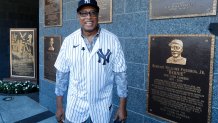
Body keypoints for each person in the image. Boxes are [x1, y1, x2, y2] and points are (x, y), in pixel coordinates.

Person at [54, 0, 128, 123]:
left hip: (102, 108)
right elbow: (61, 76)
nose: (88, 17)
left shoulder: (113, 40)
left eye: (92, 13)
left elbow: (121, 76)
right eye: (84, 13)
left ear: (98, 15)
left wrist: (122, 107)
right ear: (78, 16)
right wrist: (59, 106)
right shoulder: (68, 41)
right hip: (75, 108)